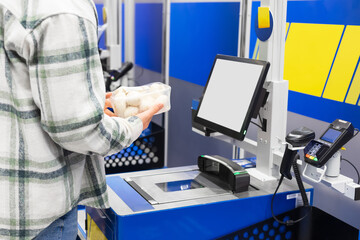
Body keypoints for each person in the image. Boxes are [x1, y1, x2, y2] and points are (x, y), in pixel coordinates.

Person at [0, 0, 163, 239]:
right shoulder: (65, 9)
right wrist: (134, 124)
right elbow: (79, 130)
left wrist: (88, 101)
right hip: (37, 218)